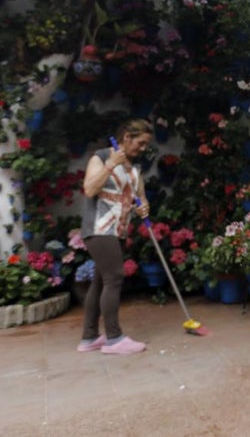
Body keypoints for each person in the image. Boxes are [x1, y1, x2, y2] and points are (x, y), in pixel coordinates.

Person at [76, 118, 154, 355]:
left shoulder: (134, 169)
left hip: (117, 231)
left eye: (146, 145)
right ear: (127, 138)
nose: (143, 149)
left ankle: (89, 338)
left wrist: (144, 208)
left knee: (101, 281)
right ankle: (114, 338)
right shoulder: (100, 157)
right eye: (140, 143)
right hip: (99, 229)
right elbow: (89, 189)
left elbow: (141, 198)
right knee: (115, 278)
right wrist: (110, 165)